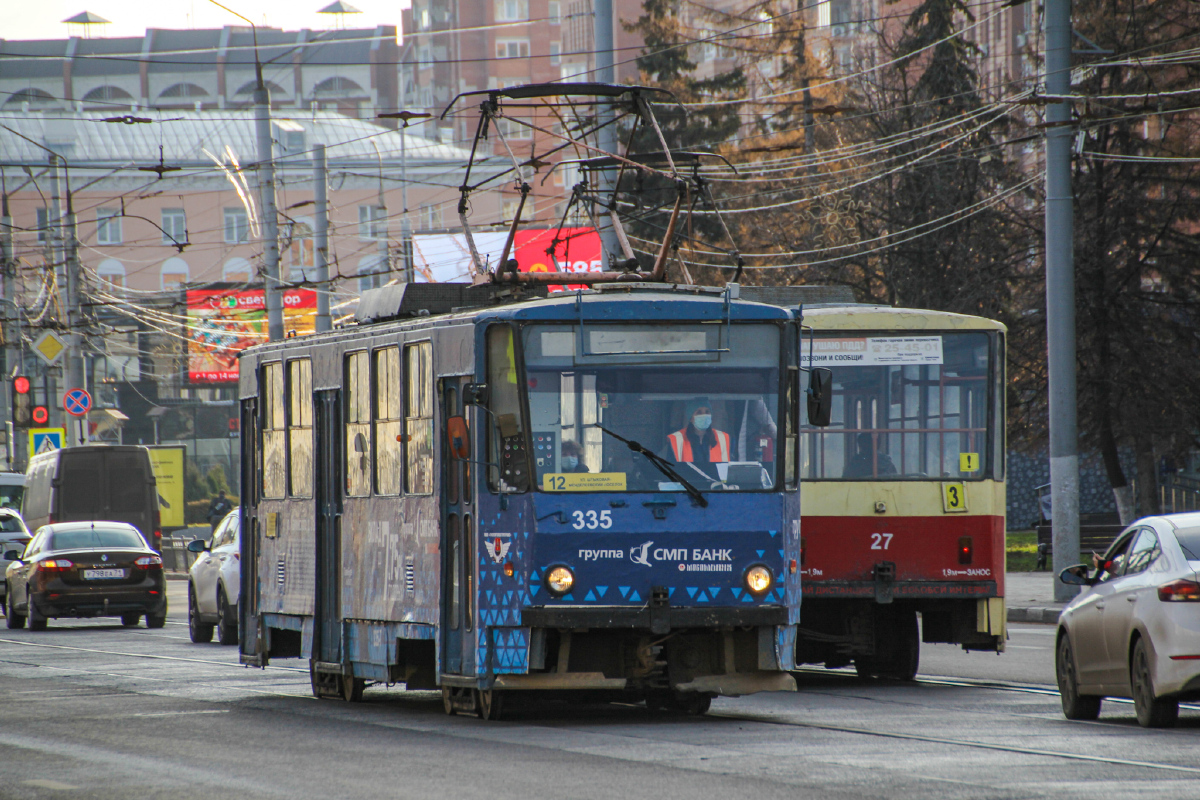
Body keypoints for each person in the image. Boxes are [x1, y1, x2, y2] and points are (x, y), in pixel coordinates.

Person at [666, 397, 732, 482]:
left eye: (707, 412)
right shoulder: (676, 439)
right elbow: (670, 472)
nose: (704, 415)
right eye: (699, 412)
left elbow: (729, 472)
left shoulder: (723, 438)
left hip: (716, 489)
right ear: (691, 418)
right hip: (688, 489)